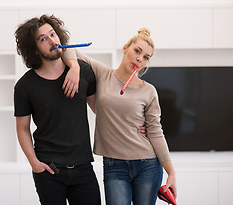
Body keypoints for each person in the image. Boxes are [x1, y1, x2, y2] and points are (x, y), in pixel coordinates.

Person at [62, 27, 177, 205]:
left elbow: (155, 131)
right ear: (125, 48)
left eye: (146, 57)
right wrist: (75, 66)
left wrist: (171, 172)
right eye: (137, 51)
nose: (140, 58)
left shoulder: (149, 91)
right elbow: (67, 48)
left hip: (148, 165)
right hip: (114, 166)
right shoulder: (102, 73)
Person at [13, 14, 101, 205]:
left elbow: (101, 112)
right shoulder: (25, 86)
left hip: (83, 167)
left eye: (53, 34)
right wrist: (34, 163)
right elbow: (22, 128)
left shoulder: (83, 72)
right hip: (49, 169)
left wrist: (134, 123)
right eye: (43, 39)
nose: (52, 41)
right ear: (34, 49)